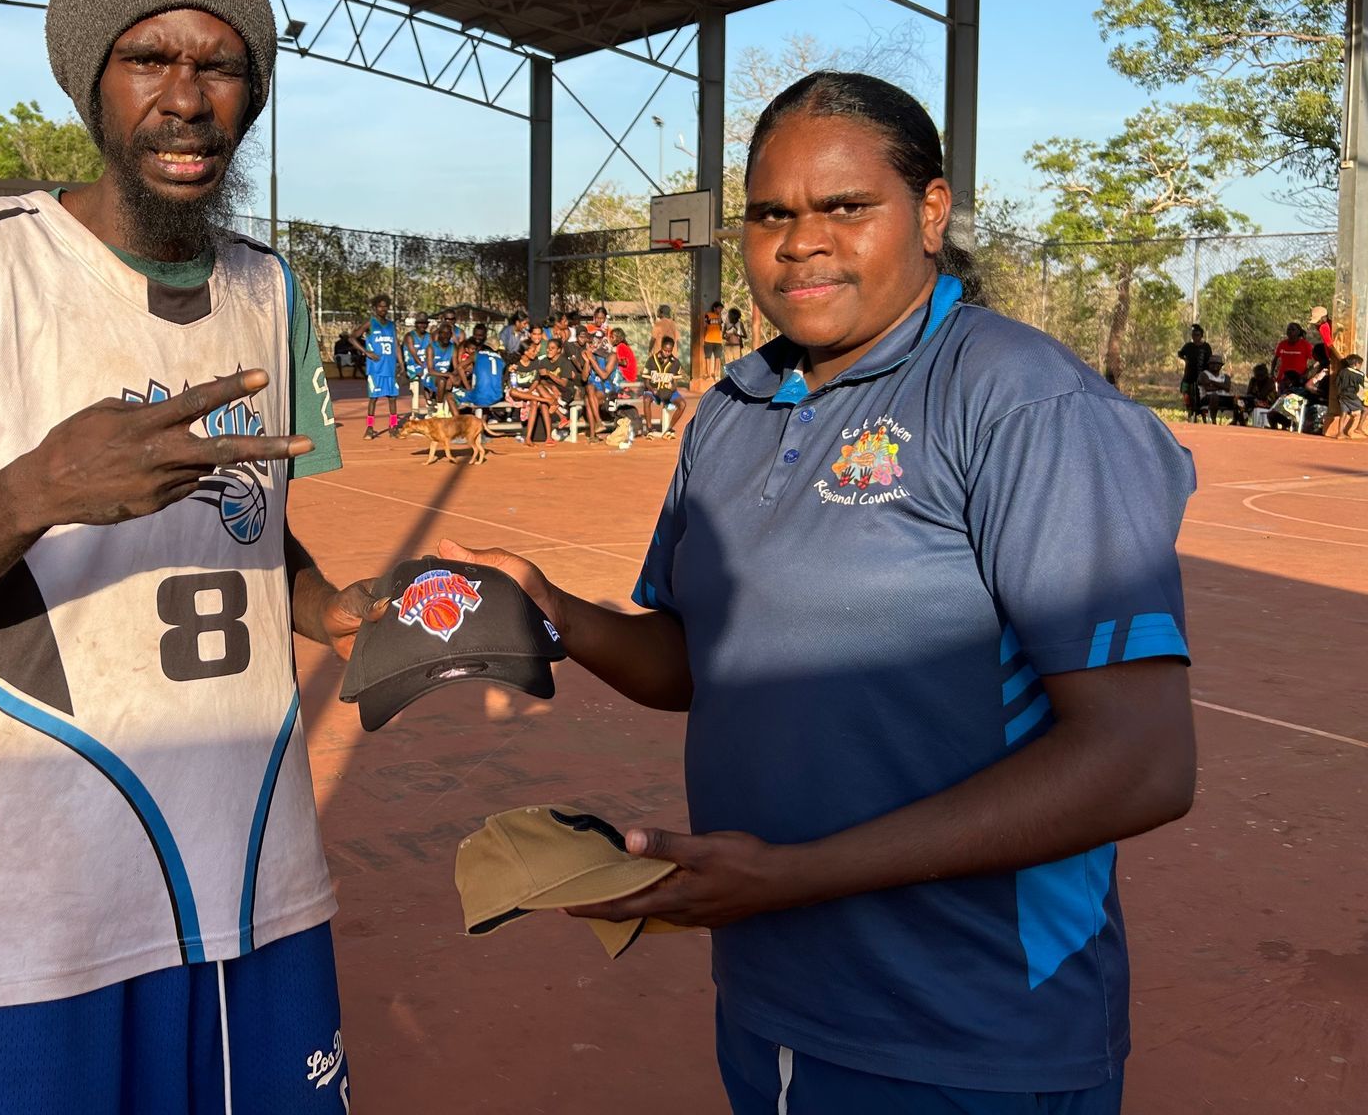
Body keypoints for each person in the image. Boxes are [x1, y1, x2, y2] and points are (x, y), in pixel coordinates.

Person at [444, 71, 1196, 1114]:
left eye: (846, 207)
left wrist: (797, 874)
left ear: (931, 213)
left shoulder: (1024, 402)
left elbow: (1142, 764)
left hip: (973, 1032)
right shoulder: (734, 408)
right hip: (773, 998)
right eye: (771, 215)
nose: (801, 242)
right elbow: (694, 660)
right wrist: (554, 609)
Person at [0, 0, 384, 1115]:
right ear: (93, 81)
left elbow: (248, 529)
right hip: (56, 903)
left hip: (260, 874)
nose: (187, 98)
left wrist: (337, 609)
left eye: (220, 64)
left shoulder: (270, 288)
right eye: (151, 59)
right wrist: (38, 489)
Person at [358, 295, 402, 439]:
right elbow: (352, 337)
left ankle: (393, 426)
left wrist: (401, 363)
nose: (383, 309)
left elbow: (396, 344)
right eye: (380, 306)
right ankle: (370, 428)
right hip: (376, 368)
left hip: (389, 367)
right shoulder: (370, 323)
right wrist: (366, 352)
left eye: (385, 306)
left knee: (392, 398)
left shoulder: (391, 325)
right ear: (375, 307)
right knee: (373, 398)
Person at [643, 336, 686, 438]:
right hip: (653, 389)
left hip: (668, 391)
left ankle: (669, 428)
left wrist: (672, 388)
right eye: (665, 350)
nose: (667, 352)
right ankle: (649, 429)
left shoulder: (675, 362)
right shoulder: (651, 360)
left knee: (682, 404)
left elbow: (675, 383)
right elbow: (646, 382)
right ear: (661, 348)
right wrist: (652, 389)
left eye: (669, 351)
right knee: (646, 400)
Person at [453, 337, 506, 414]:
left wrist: (467, 387)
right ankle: (483, 421)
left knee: (450, 395)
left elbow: (459, 367)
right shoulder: (501, 360)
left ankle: (457, 421)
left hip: (480, 397)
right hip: (497, 396)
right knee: (485, 395)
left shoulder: (477, 355)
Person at [1176, 324, 1212, 418]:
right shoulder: (1188, 346)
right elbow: (1180, 353)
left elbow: (1210, 360)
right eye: (1193, 335)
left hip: (1202, 374)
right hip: (1189, 374)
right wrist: (1185, 359)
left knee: (1204, 394)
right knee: (1185, 390)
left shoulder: (1206, 347)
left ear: (1201, 335)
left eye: (1197, 334)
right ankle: (1189, 408)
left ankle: (1204, 413)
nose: (1195, 337)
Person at [425, 319, 460, 411]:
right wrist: (448, 375)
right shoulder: (431, 347)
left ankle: (457, 410)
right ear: (439, 334)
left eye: (448, 333)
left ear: (451, 335)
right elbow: (430, 370)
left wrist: (451, 378)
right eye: (443, 333)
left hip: (445, 376)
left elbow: (456, 367)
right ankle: (439, 410)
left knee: (458, 381)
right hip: (432, 376)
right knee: (441, 381)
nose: (446, 336)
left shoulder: (453, 347)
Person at [403, 313, 433, 414]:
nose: (423, 325)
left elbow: (432, 353)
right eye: (420, 323)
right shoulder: (409, 336)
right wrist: (424, 367)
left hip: (424, 364)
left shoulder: (429, 337)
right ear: (416, 324)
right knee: (424, 373)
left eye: (425, 323)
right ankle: (427, 404)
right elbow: (415, 356)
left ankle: (431, 403)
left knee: (434, 374)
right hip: (412, 364)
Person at [1195, 356, 1234, 425]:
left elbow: (1227, 388)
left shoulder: (1226, 376)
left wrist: (1212, 382)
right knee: (1214, 396)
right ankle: (1213, 420)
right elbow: (1208, 388)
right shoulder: (1204, 374)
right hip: (1207, 397)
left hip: (1224, 397)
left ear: (1221, 366)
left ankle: (1237, 420)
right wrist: (1222, 386)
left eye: (1218, 364)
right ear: (1209, 365)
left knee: (1237, 400)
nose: (1215, 365)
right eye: (1213, 363)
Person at [1334, 353, 1365, 439]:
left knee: (1343, 413)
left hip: (1341, 395)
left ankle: (1340, 433)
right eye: (1360, 365)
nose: (1360, 367)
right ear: (1356, 364)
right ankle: (1359, 428)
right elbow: (1365, 385)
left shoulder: (1342, 371)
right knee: (1365, 409)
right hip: (1351, 396)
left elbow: (1336, 383)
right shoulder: (1359, 374)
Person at [1272, 322, 1314, 386]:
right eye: (1288, 329)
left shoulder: (1306, 345)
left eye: (1293, 329)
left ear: (1298, 332)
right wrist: (1271, 373)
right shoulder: (1282, 344)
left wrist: (1307, 372)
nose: (1290, 331)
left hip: (1299, 380)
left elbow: (1316, 361)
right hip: (1282, 379)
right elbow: (1275, 359)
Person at [701, 300, 725, 381]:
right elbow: (704, 327)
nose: (720, 310)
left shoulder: (720, 317)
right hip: (708, 339)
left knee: (717, 357)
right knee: (708, 357)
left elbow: (720, 328)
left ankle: (716, 374)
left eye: (721, 309)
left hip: (718, 340)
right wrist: (704, 338)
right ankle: (708, 373)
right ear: (714, 308)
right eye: (719, 308)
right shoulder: (708, 315)